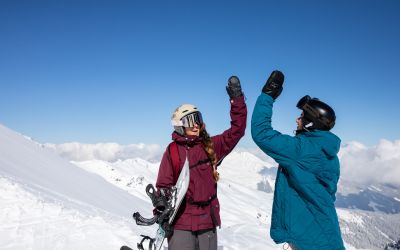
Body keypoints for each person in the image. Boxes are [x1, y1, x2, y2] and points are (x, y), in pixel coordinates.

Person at [251, 71, 345, 250]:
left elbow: (261, 133)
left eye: (302, 117)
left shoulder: (301, 150)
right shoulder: (329, 153)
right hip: (323, 237)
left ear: (310, 124)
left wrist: (267, 96)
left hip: (312, 242)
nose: (297, 119)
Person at [155, 76, 247, 250]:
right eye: (191, 121)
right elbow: (163, 185)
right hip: (181, 223)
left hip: (207, 222)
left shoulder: (210, 145)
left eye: (198, 119)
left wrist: (237, 99)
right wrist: (161, 212)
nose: (196, 125)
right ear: (179, 125)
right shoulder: (172, 151)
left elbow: (237, 130)